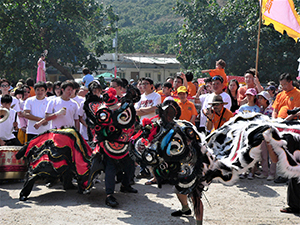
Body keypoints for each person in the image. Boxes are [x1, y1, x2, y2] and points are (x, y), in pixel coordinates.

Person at [272, 73, 300, 183]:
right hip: (279, 123)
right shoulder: (280, 95)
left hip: (292, 123)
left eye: (285, 85)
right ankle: (281, 173)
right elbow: (275, 110)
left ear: (290, 82)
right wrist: (274, 119)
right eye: (281, 85)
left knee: (287, 144)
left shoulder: (297, 94)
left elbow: (296, 111)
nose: (283, 87)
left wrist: (288, 119)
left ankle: (289, 174)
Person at [135, 78, 161, 179]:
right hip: (142, 126)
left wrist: (141, 110)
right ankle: (143, 170)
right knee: (140, 148)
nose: (144, 85)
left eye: (146, 83)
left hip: (154, 126)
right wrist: (144, 111)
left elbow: (154, 109)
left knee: (154, 149)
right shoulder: (140, 97)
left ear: (151, 85)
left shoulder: (156, 96)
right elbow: (136, 111)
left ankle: (156, 173)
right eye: (142, 84)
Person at [256, 91, 276, 180]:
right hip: (263, 134)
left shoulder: (271, 109)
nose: (259, 100)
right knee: (263, 154)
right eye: (259, 98)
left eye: (261, 98)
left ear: (266, 99)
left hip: (271, 134)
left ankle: (272, 173)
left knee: (272, 155)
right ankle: (265, 172)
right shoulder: (260, 109)